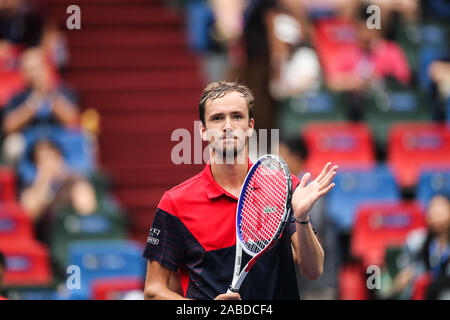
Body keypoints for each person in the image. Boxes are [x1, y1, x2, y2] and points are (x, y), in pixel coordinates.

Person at [143, 81, 338, 300]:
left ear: (250, 126)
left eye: (237, 116)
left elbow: (313, 271)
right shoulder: (175, 202)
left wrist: (302, 218)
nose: (228, 126)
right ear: (204, 131)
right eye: (217, 118)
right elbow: (153, 292)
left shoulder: (283, 186)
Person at [386, 194, 450, 299]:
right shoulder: (416, 242)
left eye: (441, 210)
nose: (435, 214)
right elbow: (403, 274)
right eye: (432, 210)